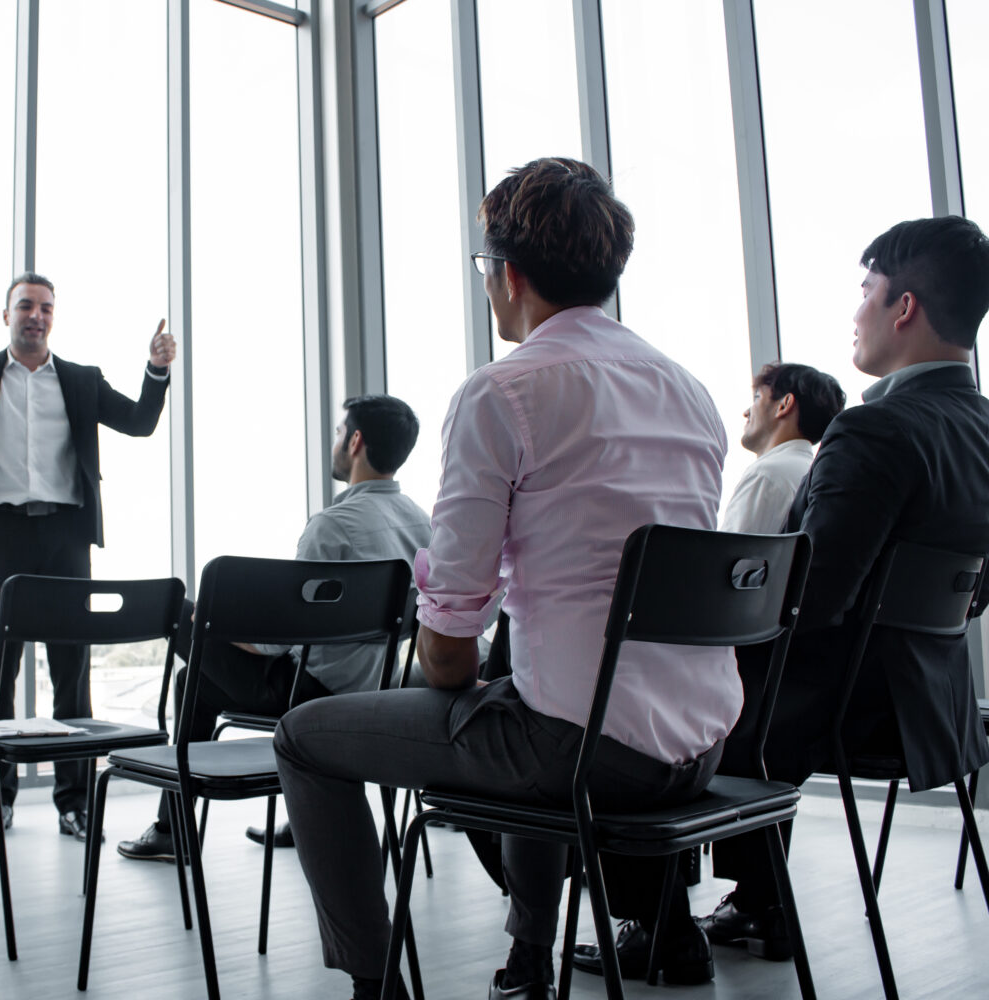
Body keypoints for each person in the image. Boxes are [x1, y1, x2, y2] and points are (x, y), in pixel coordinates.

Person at [274, 157, 737, 1000]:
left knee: (307, 736)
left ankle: (373, 984)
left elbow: (449, 641)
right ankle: (533, 960)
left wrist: (452, 665)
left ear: (509, 275)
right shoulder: (690, 391)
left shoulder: (504, 393)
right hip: (703, 744)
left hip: (586, 754)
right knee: (528, 695)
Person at [694, 216, 989, 964]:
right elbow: (972, 598)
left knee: (678, 692)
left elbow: (809, 599)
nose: (857, 312)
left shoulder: (876, 428)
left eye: (867, 291)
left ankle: (658, 921)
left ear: (902, 307)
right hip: (930, 705)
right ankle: (755, 902)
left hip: (844, 705)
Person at [0, 272, 174, 843]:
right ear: (6, 315)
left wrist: (156, 370)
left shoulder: (81, 381)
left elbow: (140, 424)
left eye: (45, 307)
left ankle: (74, 803)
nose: (35, 316)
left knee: (72, 673)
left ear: (52, 318)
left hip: (65, 536)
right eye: (25, 306)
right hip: (0, 537)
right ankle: (0, 802)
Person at [117, 394, 432, 863]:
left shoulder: (332, 527)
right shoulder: (422, 524)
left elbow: (274, 642)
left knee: (179, 610)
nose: (337, 441)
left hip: (310, 693)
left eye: (341, 432)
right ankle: (300, 813)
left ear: (357, 442)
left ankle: (174, 831)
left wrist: (220, 625)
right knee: (192, 683)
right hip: (380, 691)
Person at [720, 362, 844, 534]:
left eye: (757, 397)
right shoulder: (813, 473)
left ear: (784, 405)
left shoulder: (766, 474)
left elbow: (729, 557)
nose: (746, 412)